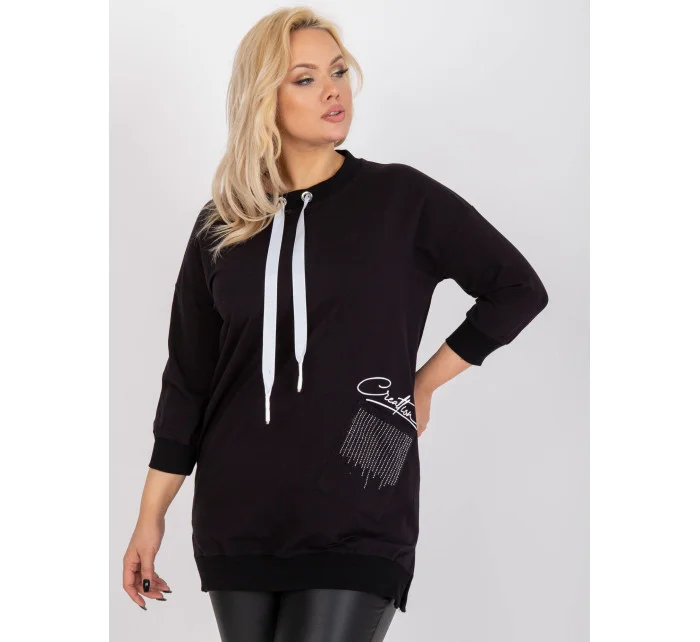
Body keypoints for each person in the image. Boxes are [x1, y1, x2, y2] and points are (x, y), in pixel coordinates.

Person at [122, 6, 549, 641]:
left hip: (361, 499)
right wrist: (150, 515)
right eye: (305, 78)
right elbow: (188, 381)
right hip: (238, 512)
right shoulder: (222, 223)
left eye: (339, 71)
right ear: (263, 98)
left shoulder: (401, 199)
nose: (332, 90)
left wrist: (421, 384)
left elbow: (517, 289)